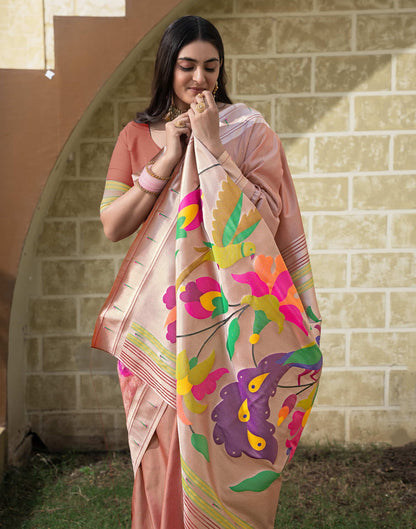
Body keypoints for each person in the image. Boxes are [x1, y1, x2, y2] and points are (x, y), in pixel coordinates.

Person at [92, 15, 322, 529]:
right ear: (167, 68)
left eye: (210, 67)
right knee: (158, 458)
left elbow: (266, 218)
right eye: (187, 66)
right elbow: (113, 224)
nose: (199, 79)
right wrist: (169, 155)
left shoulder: (247, 131)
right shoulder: (137, 135)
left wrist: (212, 146)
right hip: (156, 324)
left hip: (222, 325)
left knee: (217, 449)